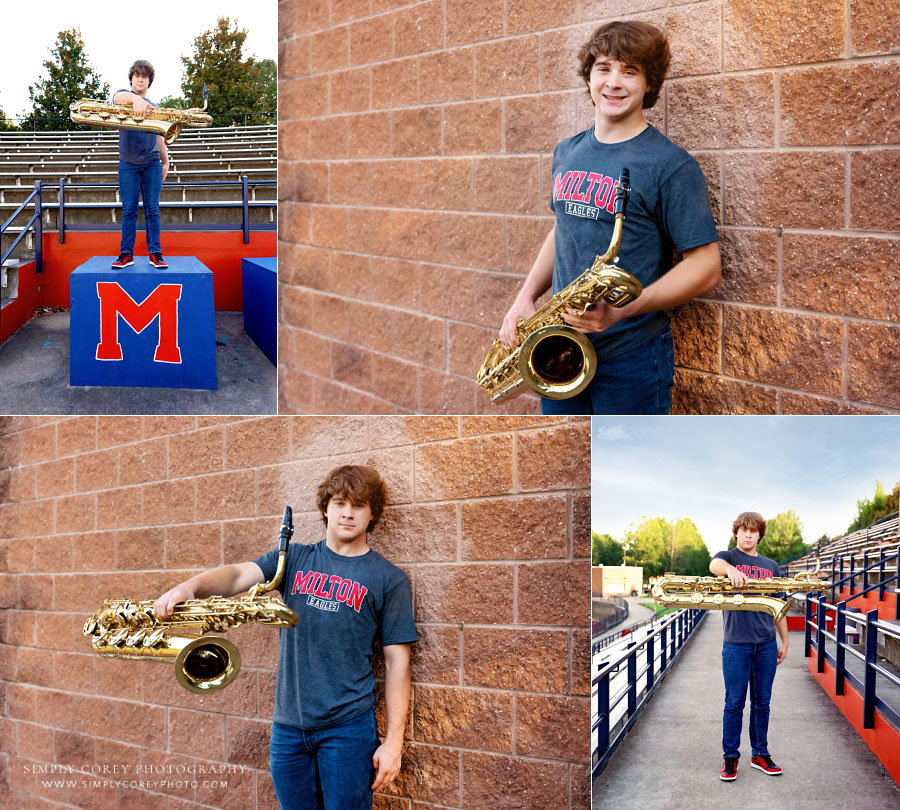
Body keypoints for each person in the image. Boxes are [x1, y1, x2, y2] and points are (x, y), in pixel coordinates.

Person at [154, 465, 417, 810]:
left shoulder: (388, 579)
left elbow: (398, 663)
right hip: (288, 729)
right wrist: (189, 587)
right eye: (339, 503)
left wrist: (394, 743)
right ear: (326, 509)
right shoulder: (291, 560)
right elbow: (236, 575)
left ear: (372, 514)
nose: (348, 513)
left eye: (359, 505)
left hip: (347, 729)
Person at [499, 20, 721, 415]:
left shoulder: (671, 165)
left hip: (632, 356)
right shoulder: (567, 151)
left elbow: (706, 267)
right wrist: (525, 297)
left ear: (650, 84)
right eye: (603, 68)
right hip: (559, 352)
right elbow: (563, 228)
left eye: (630, 71)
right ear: (589, 77)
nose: (614, 82)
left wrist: (625, 310)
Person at [710, 512, 787, 781]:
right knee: (733, 703)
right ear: (736, 533)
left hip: (766, 644)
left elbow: (778, 607)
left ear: (759, 535)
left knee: (762, 703)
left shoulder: (771, 566)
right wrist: (731, 570)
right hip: (736, 645)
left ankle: (760, 754)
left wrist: (784, 640)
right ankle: (730, 758)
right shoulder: (728, 557)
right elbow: (714, 565)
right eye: (743, 530)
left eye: (753, 531)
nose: (747, 534)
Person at [111, 60, 169, 269]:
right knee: (129, 210)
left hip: (152, 163)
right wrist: (137, 101)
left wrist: (166, 160)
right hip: (128, 164)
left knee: (152, 209)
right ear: (132, 79)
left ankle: (156, 253)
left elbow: (160, 137)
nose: (140, 79)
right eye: (137, 75)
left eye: (144, 76)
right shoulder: (123, 99)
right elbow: (117, 97)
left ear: (149, 81)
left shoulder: (156, 108)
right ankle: (126, 254)